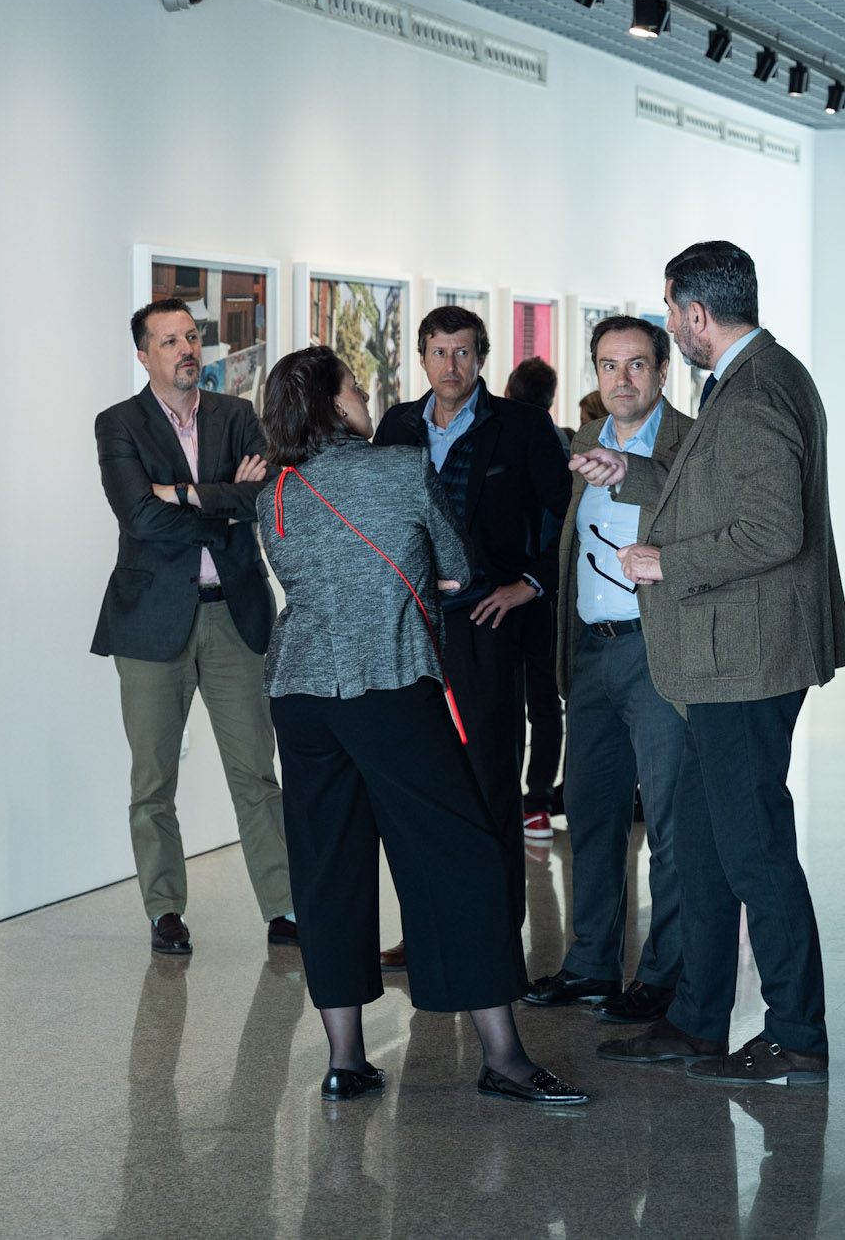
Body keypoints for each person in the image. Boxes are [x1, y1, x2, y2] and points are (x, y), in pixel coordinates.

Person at [258, 344, 586, 1106]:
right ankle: (503, 1057)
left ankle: (345, 1060)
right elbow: (459, 565)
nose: (368, 398)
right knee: (462, 854)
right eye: (357, 388)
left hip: (301, 694)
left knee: (327, 864)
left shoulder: (272, 491)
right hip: (390, 683)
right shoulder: (400, 468)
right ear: (336, 404)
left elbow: (306, 575)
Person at [575, 241, 845, 1086]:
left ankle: (797, 1033)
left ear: (696, 315)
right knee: (699, 841)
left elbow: (772, 529)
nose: (669, 328)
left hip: (748, 659)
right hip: (718, 658)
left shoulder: (759, 390)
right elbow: (718, 488)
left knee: (753, 847)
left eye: (669, 313)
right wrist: (632, 471)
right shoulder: (749, 377)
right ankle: (698, 1017)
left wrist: (665, 560)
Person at [92, 298, 296, 956]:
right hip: (150, 622)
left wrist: (176, 492)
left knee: (256, 772)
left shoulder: (239, 416)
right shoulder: (118, 424)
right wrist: (219, 499)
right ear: (144, 353)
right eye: (171, 340)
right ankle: (164, 909)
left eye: (192, 337)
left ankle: (284, 906)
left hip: (234, 614)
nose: (187, 349)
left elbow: (264, 499)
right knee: (152, 780)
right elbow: (137, 518)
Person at [371, 306, 570, 969]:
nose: (450, 366)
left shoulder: (521, 426)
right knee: (418, 785)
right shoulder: (397, 424)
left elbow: (568, 521)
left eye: (462, 352)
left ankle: (493, 927)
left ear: (481, 356)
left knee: (489, 781)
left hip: (485, 626)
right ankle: (425, 926)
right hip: (410, 629)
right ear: (421, 357)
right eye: (438, 352)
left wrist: (529, 585)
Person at [523, 316, 693, 1025]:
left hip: (658, 652)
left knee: (670, 821)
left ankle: (664, 972)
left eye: (637, 365)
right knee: (591, 816)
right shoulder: (586, 441)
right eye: (607, 365)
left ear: (661, 372)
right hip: (591, 651)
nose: (621, 379)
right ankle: (591, 963)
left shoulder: (690, 444)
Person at [502, 356, 572, 837]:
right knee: (545, 705)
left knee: (509, 700)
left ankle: (514, 800)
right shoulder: (563, 441)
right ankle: (538, 800)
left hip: (512, 591)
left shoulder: (508, 440)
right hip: (548, 594)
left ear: (507, 390)